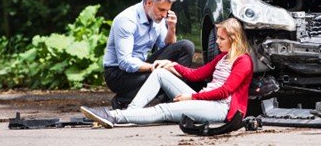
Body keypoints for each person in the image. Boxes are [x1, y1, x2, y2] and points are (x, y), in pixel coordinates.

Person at [81, 18, 253, 128]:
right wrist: (171, 65)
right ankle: (132, 114)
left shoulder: (243, 61)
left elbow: (225, 92)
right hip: (204, 99)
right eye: (217, 37)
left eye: (221, 38)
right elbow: (197, 75)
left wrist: (191, 98)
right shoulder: (223, 57)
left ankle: (113, 116)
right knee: (160, 73)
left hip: (221, 108)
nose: (217, 41)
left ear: (234, 39)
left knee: (165, 109)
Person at [103, 0, 195, 109]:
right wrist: (154, 68)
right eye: (161, 10)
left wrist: (172, 28)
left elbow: (168, 47)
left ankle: (171, 101)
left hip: (142, 67)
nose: (164, 15)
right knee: (163, 73)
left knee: (185, 46)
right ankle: (123, 100)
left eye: (167, 11)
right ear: (149, 3)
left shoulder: (158, 17)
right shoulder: (127, 20)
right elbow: (125, 62)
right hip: (118, 74)